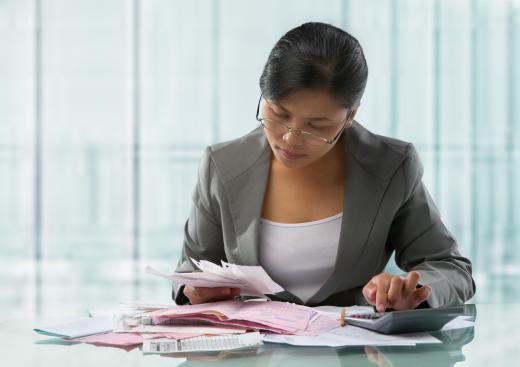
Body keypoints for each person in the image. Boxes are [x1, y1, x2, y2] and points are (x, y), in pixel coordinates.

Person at [172, 22, 476, 311]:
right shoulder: (222, 165)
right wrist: (192, 289)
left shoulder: (391, 167)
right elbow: (191, 267)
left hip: (356, 351)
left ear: (350, 115)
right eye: (278, 113)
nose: (291, 139)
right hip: (253, 352)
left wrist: (415, 290)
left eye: (316, 125)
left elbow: (450, 268)